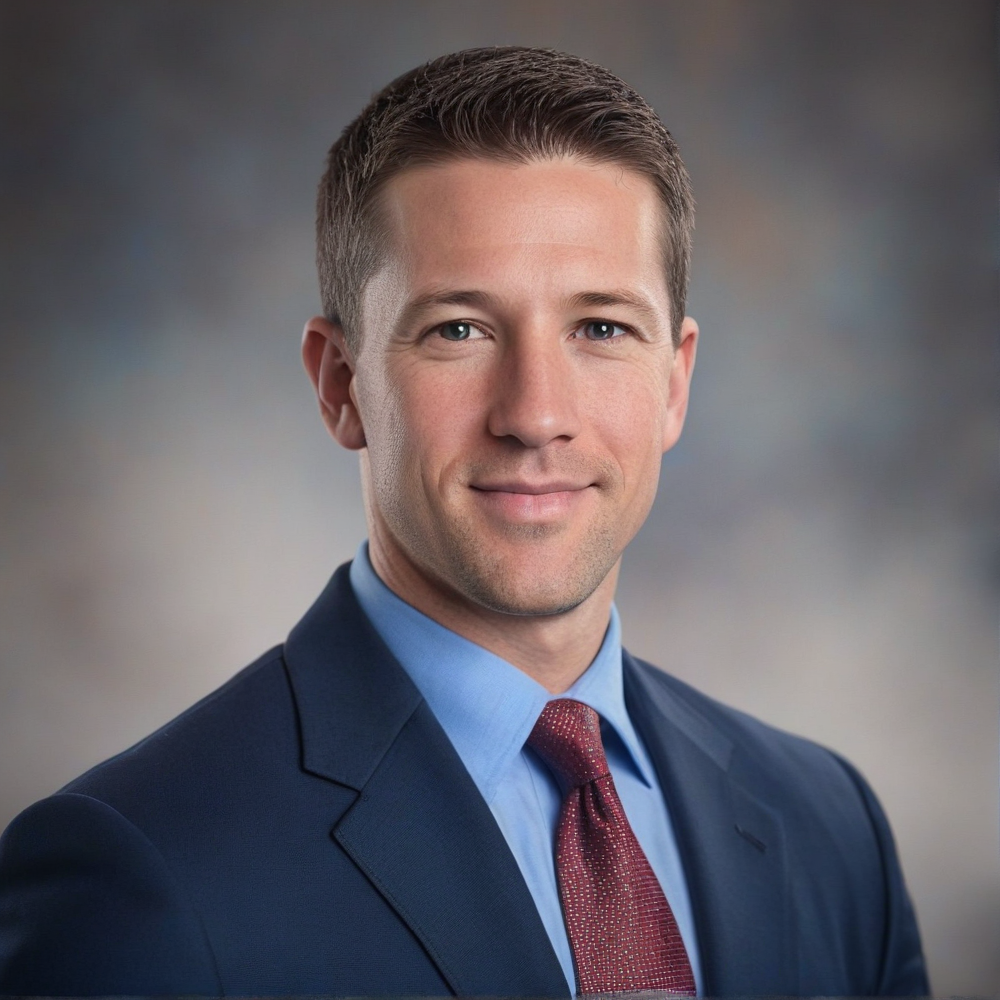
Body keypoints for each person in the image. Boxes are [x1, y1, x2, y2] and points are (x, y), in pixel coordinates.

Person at [0, 46, 928, 997]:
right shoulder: (140, 870)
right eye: (459, 330)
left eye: (601, 328)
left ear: (676, 382)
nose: (534, 413)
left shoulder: (830, 828)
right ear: (340, 385)